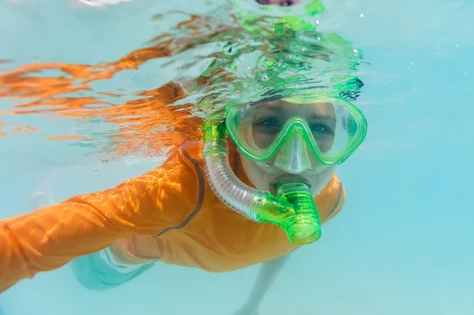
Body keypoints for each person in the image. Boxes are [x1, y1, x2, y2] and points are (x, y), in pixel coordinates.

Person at [0, 92, 367, 314]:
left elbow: (287, 239)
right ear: (230, 133)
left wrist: (255, 302)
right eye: (270, 122)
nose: (294, 159)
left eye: (320, 129)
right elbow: (21, 246)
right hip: (121, 256)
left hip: (176, 248)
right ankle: (44, 198)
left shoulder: (330, 199)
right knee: (90, 280)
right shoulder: (182, 189)